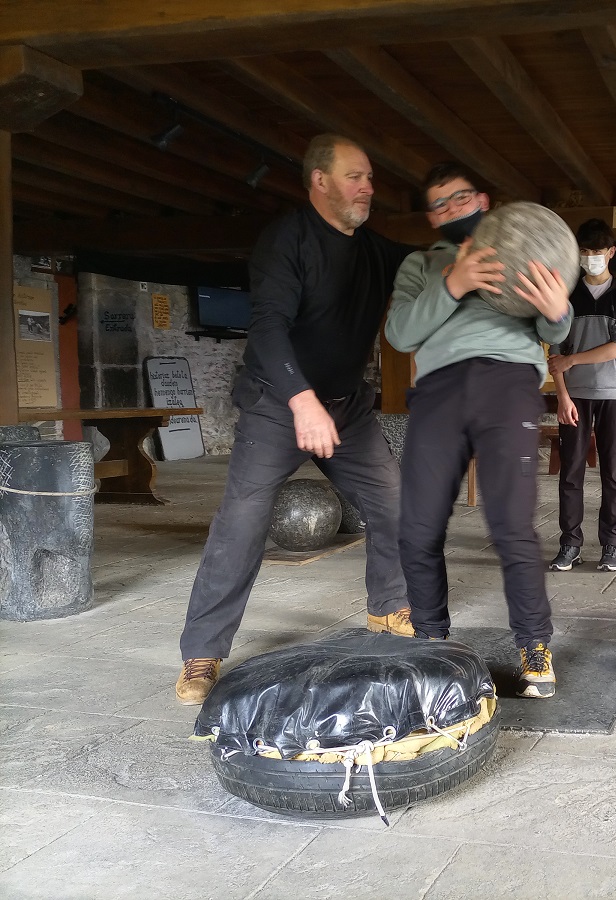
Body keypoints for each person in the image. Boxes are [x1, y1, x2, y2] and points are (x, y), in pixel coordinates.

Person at [176, 134, 410, 705]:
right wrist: (301, 400)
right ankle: (202, 651)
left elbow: (435, 276)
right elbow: (269, 327)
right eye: (355, 176)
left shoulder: (378, 251)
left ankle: (390, 610)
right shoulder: (287, 240)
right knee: (243, 520)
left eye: (370, 178)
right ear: (320, 181)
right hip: (276, 404)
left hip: (347, 407)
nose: (368, 188)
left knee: (396, 502)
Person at [385, 163, 573, 699]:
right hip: (437, 394)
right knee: (418, 528)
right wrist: (453, 283)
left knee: (512, 526)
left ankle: (534, 644)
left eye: (458, 199)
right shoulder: (421, 263)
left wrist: (559, 314)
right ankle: (429, 641)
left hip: (507, 383)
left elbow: (550, 323)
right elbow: (400, 333)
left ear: (483, 200)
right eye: (438, 205)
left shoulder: (521, 251)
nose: (449, 211)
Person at [546, 218, 616, 574]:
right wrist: (562, 397)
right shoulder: (567, 295)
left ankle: (610, 545)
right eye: (584, 253)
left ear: (611, 253)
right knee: (570, 472)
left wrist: (572, 359)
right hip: (574, 396)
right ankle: (569, 544)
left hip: (613, 392)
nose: (591, 258)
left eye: (597, 252)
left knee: (613, 473)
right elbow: (554, 353)